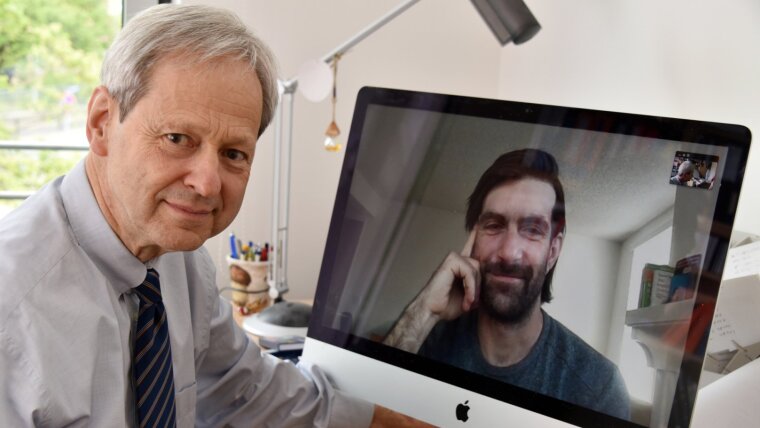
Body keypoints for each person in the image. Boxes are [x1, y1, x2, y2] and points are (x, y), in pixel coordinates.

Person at [0, 5, 428, 427]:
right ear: (101, 123)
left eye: (233, 154)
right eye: (177, 138)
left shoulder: (176, 257)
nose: (207, 184)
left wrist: (389, 423)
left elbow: (244, 389)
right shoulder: (13, 318)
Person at [384, 149, 630, 420]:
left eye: (533, 230)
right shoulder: (424, 338)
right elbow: (360, 410)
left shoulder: (598, 389)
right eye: (494, 225)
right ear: (473, 239)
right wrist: (425, 309)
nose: (509, 252)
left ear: (552, 252)